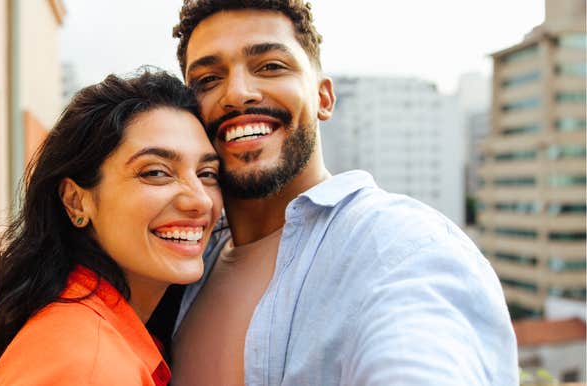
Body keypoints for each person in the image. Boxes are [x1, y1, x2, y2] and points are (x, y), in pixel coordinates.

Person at [168, 1, 519, 385]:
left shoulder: (400, 246)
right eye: (207, 79)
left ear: (324, 98)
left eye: (270, 66)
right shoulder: (182, 264)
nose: (237, 93)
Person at [0, 70, 222, 386]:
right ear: (76, 201)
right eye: (156, 173)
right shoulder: (91, 367)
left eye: (208, 173)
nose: (201, 201)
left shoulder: (95, 331)